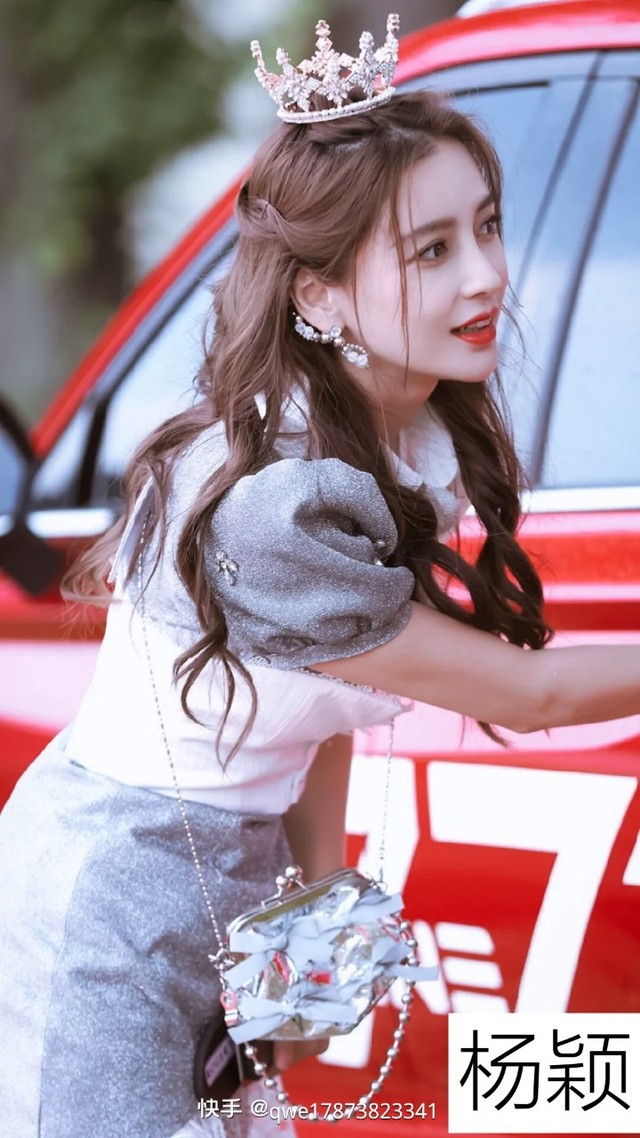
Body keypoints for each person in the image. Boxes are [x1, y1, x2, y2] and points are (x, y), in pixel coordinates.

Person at [1, 14, 640, 1138]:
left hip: (225, 881)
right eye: (431, 250)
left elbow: (325, 695)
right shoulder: (278, 505)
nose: (489, 275)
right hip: (115, 907)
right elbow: (531, 694)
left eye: (488, 227)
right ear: (319, 296)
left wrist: (309, 920)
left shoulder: (384, 446)